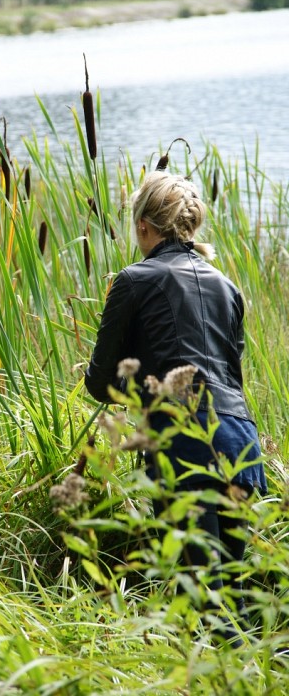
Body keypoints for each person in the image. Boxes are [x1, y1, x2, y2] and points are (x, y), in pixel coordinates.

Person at [85, 170, 267, 645]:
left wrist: (138, 394)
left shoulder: (133, 280)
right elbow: (229, 372)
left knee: (202, 596)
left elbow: (100, 381)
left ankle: (219, 672)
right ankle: (256, 669)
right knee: (234, 594)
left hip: (185, 444)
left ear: (144, 226)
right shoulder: (228, 286)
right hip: (241, 441)